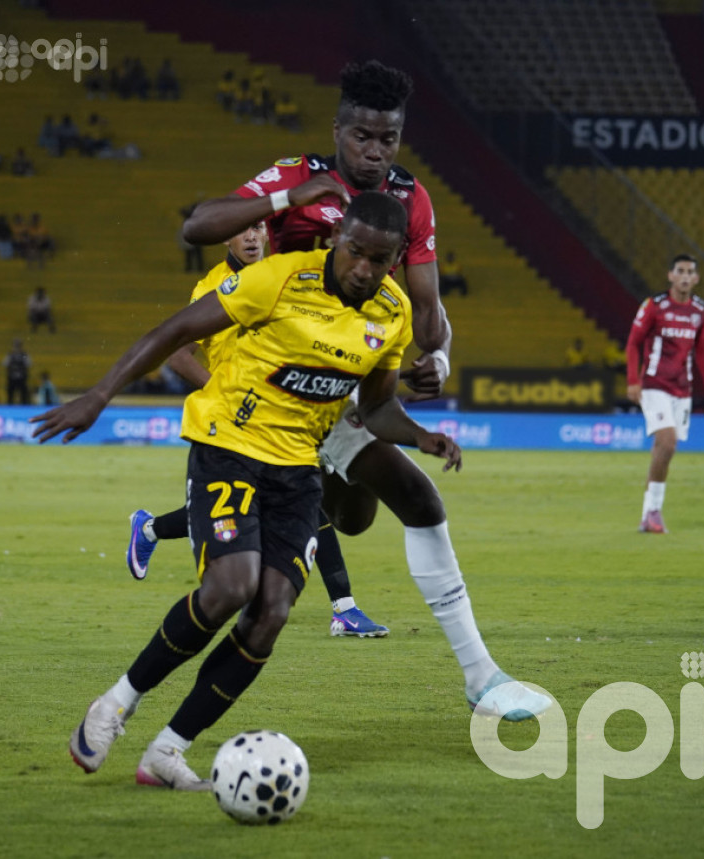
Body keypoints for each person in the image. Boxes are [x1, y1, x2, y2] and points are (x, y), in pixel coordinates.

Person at [31, 193, 466, 789]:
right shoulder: (279, 279)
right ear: (337, 242)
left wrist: (422, 436)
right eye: (355, 251)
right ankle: (113, 706)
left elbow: (378, 407)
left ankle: (167, 750)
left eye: (379, 258)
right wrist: (99, 395)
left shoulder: (390, 314)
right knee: (230, 589)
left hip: (296, 473)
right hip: (228, 447)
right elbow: (174, 331)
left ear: (395, 261)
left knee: (271, 613)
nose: (364, 267)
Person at [184, 59, 550, 715]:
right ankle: (482, 677)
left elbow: (427, 308)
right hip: (279, 393)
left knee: (356, 517)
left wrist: (436, 355)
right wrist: (281, 202)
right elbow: (199, 223)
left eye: (388, 138)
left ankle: (478, 676)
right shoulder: (298, 177)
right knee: (415, 497)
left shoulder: (411, 198)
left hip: (346, 390)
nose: (375, 151)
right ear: (339, 129)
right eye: (362, 137)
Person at [127, 221, 389, 636]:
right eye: (242, 231)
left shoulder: (283, 276)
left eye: (258, 230)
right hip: (232, 423)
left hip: (286, 417)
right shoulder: (214, 285)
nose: (251, 237)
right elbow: (177, 354)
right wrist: (220, 389)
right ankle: (150, 528)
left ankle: (345, 608)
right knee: (242, 511)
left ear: (268, 235)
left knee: (308, 499)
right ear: (227, 238)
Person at [626, 253, 704, 534]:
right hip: (654, 384)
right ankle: (654, 512)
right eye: (680, 271)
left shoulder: (701, 311)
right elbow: (633, 343)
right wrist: (633, 380)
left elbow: (702, 351)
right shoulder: (654, 306)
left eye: (690, 272)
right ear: (670, 275)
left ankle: (648, 514)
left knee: (664, 450)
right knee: (667, 443)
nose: (686, 276)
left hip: (683, 389)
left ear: (697, 278)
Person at [3, 338, 32, 404]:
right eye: (16, 345)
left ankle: (24, 406)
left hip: (21, 377)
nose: (17, 347)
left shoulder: (24, 355)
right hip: (12, 377)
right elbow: (5, 363)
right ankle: (10, 406)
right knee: (10, 394)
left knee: (23, 394)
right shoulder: (10, 355)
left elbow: (29, 364)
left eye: (18, 345)